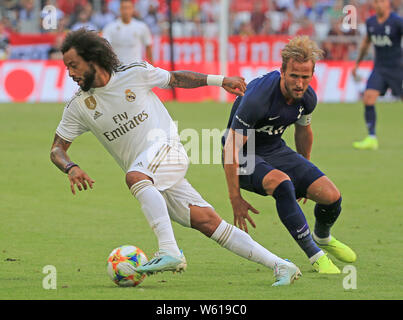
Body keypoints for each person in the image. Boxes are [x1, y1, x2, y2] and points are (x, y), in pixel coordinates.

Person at [50, 28, 302, 287]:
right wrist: (70, 167)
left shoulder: (134, 74)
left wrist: (219, 80)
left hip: (167, 151)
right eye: (67, 67)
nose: (70, 73)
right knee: (208, 222)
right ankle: (281, 265)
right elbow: (57, 149)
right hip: (151, 175)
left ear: (92, 60)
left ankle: (169, 250)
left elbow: (176, 79)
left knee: (135, 176)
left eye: (73, 65)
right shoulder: (79, 106)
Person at [222, 36, 357, 274]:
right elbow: (230, 148)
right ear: (282, 71)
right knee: (283, 185)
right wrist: (235, 198)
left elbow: (304, 132)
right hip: (242, 152)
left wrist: (304, 173)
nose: (299, 83)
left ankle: (322, 237)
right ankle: (316, 255)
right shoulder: (258, 98)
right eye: (294, 75)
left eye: (305, 77)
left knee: (332, 197)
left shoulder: (308, 99)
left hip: (274, 148)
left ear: (312, 75)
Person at [352, 0, 402, 150]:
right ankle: (371, 138)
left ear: (388, 3)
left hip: (397, 68)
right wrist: (357, 64)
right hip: (379, 68)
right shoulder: (371, 22)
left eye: (380, 1)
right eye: (375, 2)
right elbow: (366, 43)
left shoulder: (397, 22)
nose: (377, 4)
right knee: (368, 97)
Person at [102, 0, 153, 65]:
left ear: (133, 9)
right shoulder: (110, 27)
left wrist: (152, 65)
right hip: (118, 69)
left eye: (128, 8)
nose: (126, 11)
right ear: (120, 9)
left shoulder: (142, 27)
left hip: (136, 68)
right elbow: (105, 48)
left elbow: (148, 47)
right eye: (124, 8)